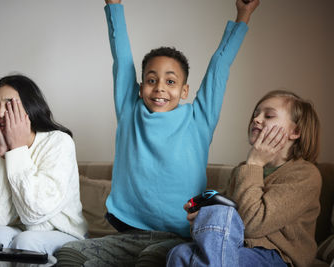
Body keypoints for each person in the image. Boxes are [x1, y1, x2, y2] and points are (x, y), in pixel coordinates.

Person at [56, 0, 258, 266]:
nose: (160, 87)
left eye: (171, 81)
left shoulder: (199, 119)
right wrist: (114, 5)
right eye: (152, 80)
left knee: (152, 259)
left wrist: (243, 15)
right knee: (68, 254)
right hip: (128, 234)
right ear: (140, 87)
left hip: (177, 238)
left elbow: (219, 67)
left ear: (184, 91)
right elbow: (122, 58)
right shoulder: (130, 110)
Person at [167, 90, 321, 267]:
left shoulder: (305, 174)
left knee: (219, 216)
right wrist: (202, 212)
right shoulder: (243, 170)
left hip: (276, 257)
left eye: (268, 115)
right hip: (236, 247)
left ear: (296, 131)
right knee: (179, 253)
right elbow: (228, 212)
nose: (256, 119)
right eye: (256, 114)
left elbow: (253, 223)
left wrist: (254, 163)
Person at [0, 74, 87, 255]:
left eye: (10, 105)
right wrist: (2, 153)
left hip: (63, 233)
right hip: (21, 230)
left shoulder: (59, 142)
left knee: (26, 241)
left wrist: (16, 149)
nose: (1, 113)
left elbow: (35, 212)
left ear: (29, 107)